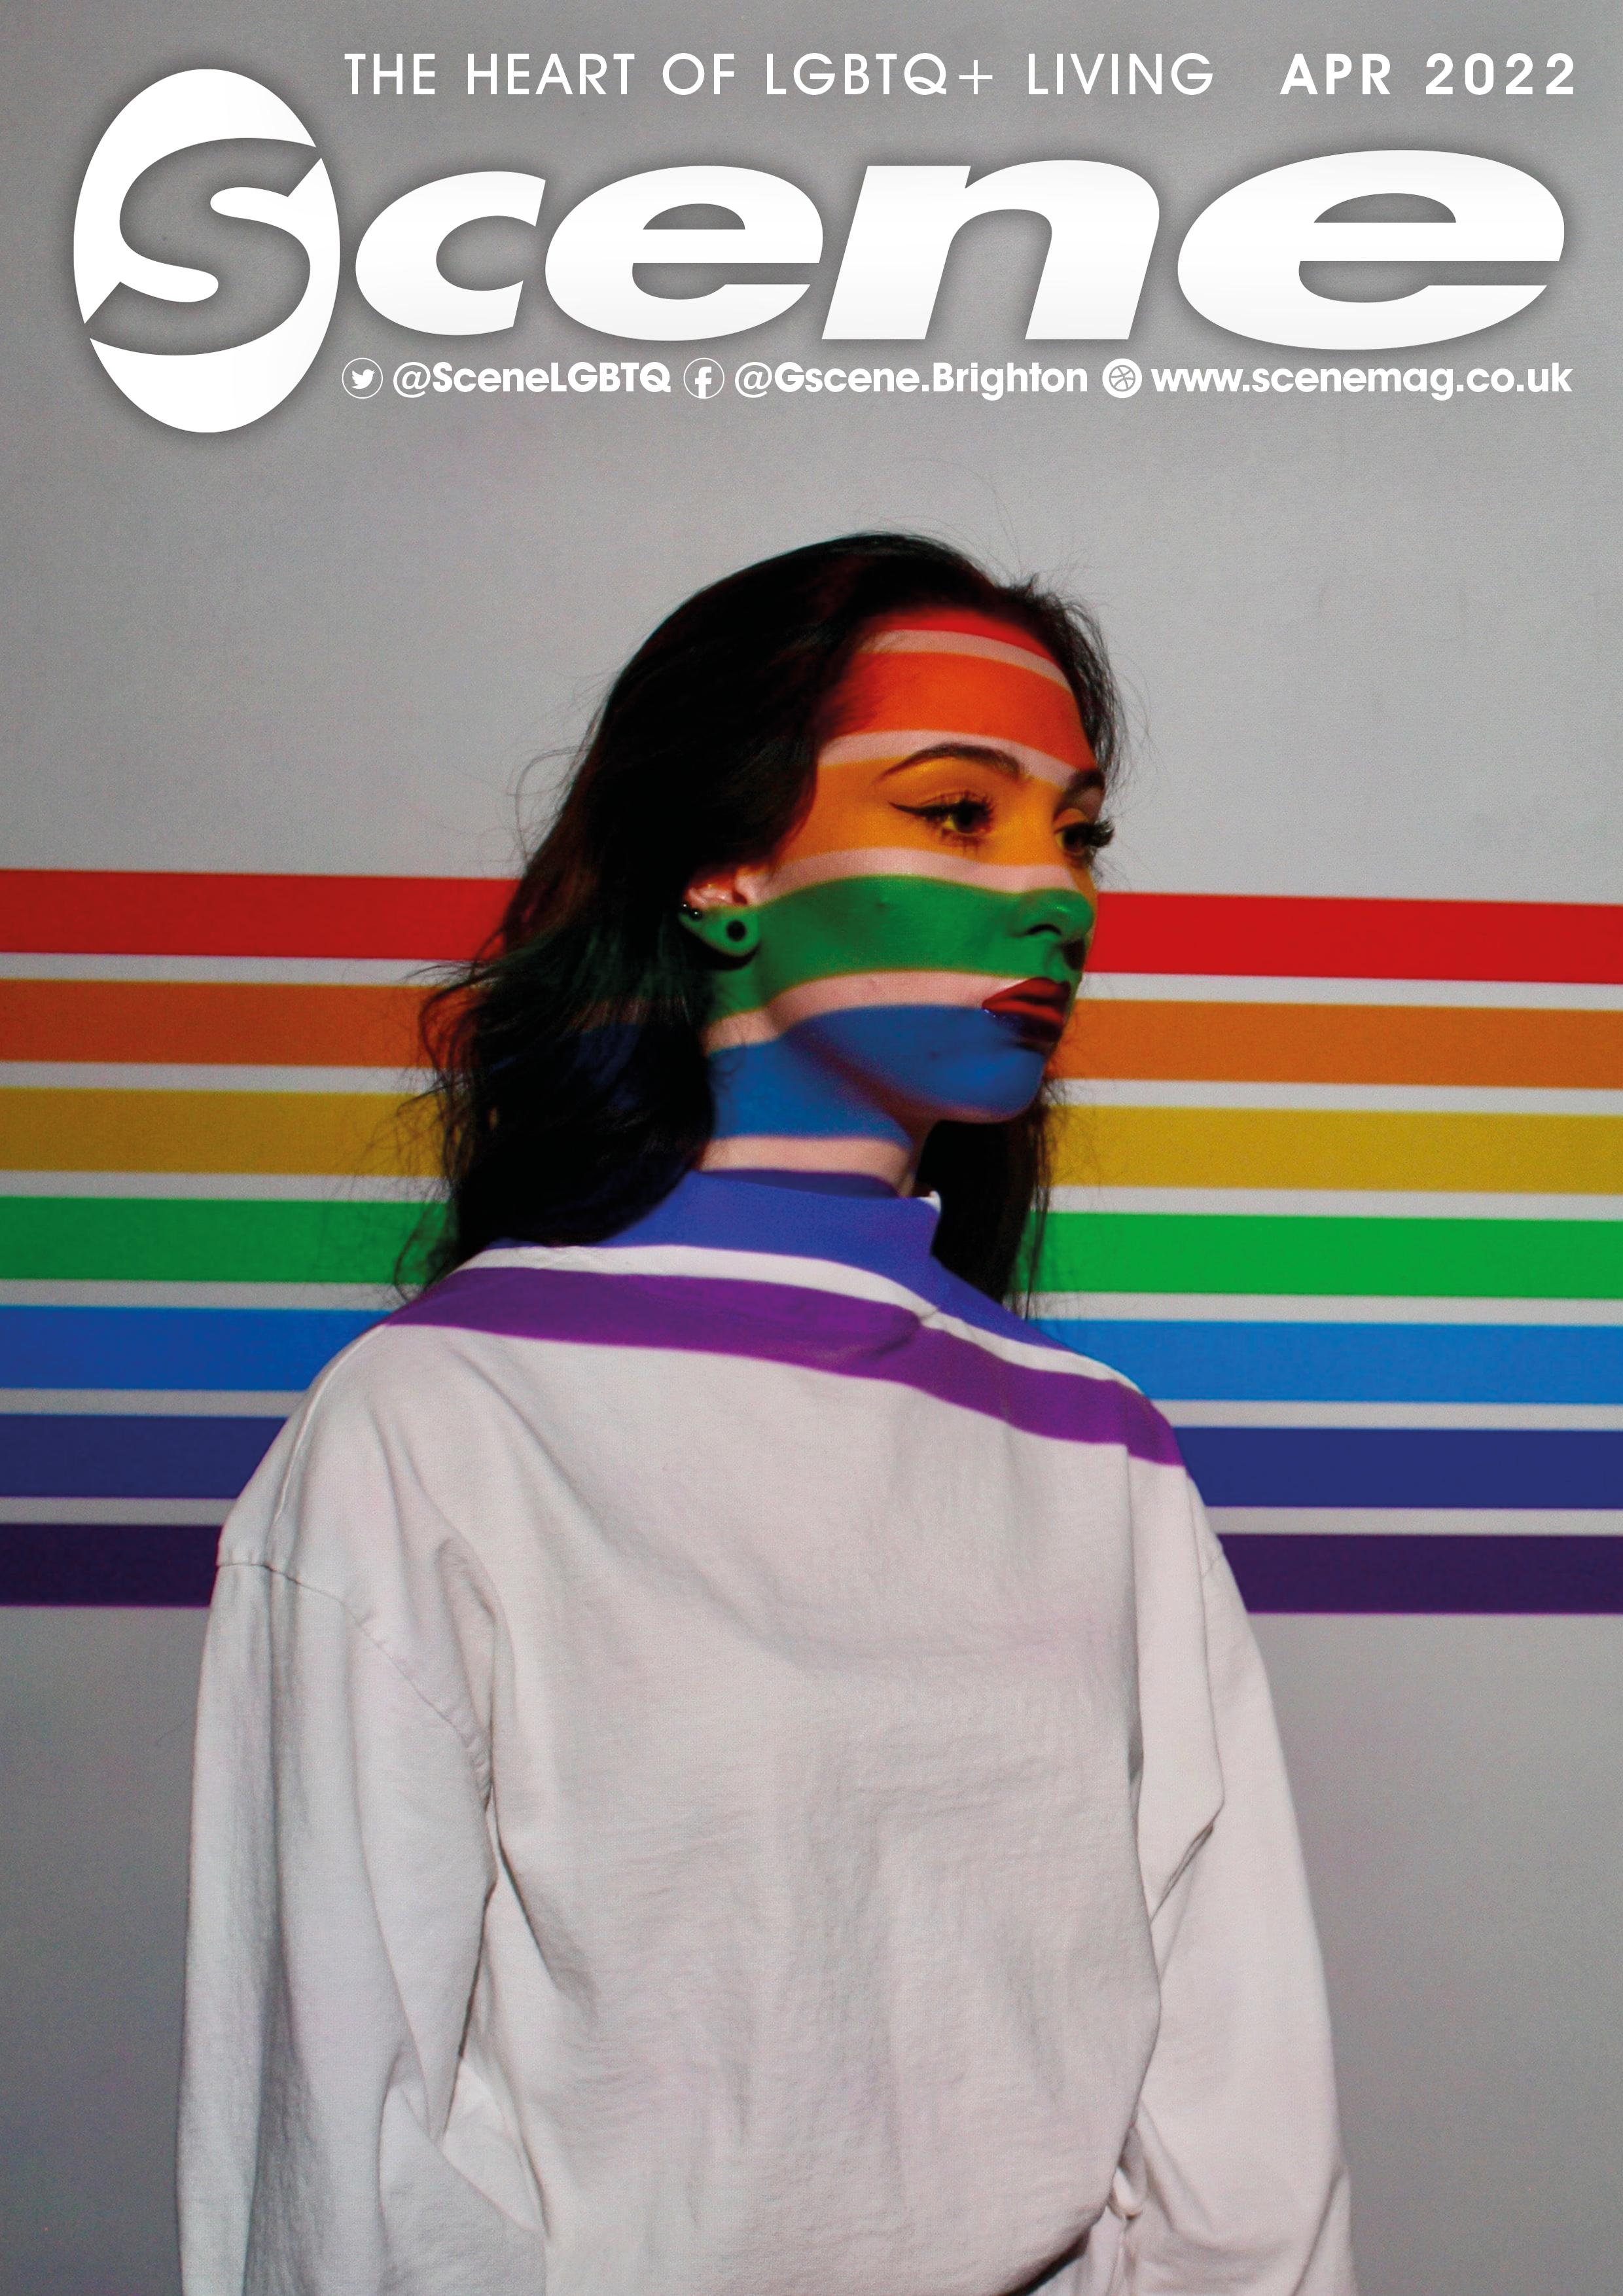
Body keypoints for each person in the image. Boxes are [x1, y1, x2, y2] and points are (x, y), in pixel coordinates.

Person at [178, 533, 1357, 2295]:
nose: (1058, 897)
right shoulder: (442, 1422)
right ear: (723, 866)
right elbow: (345, 2164)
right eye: (957, 813)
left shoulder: (1099, 1451)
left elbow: (1244, 2142)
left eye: (1077, 835)